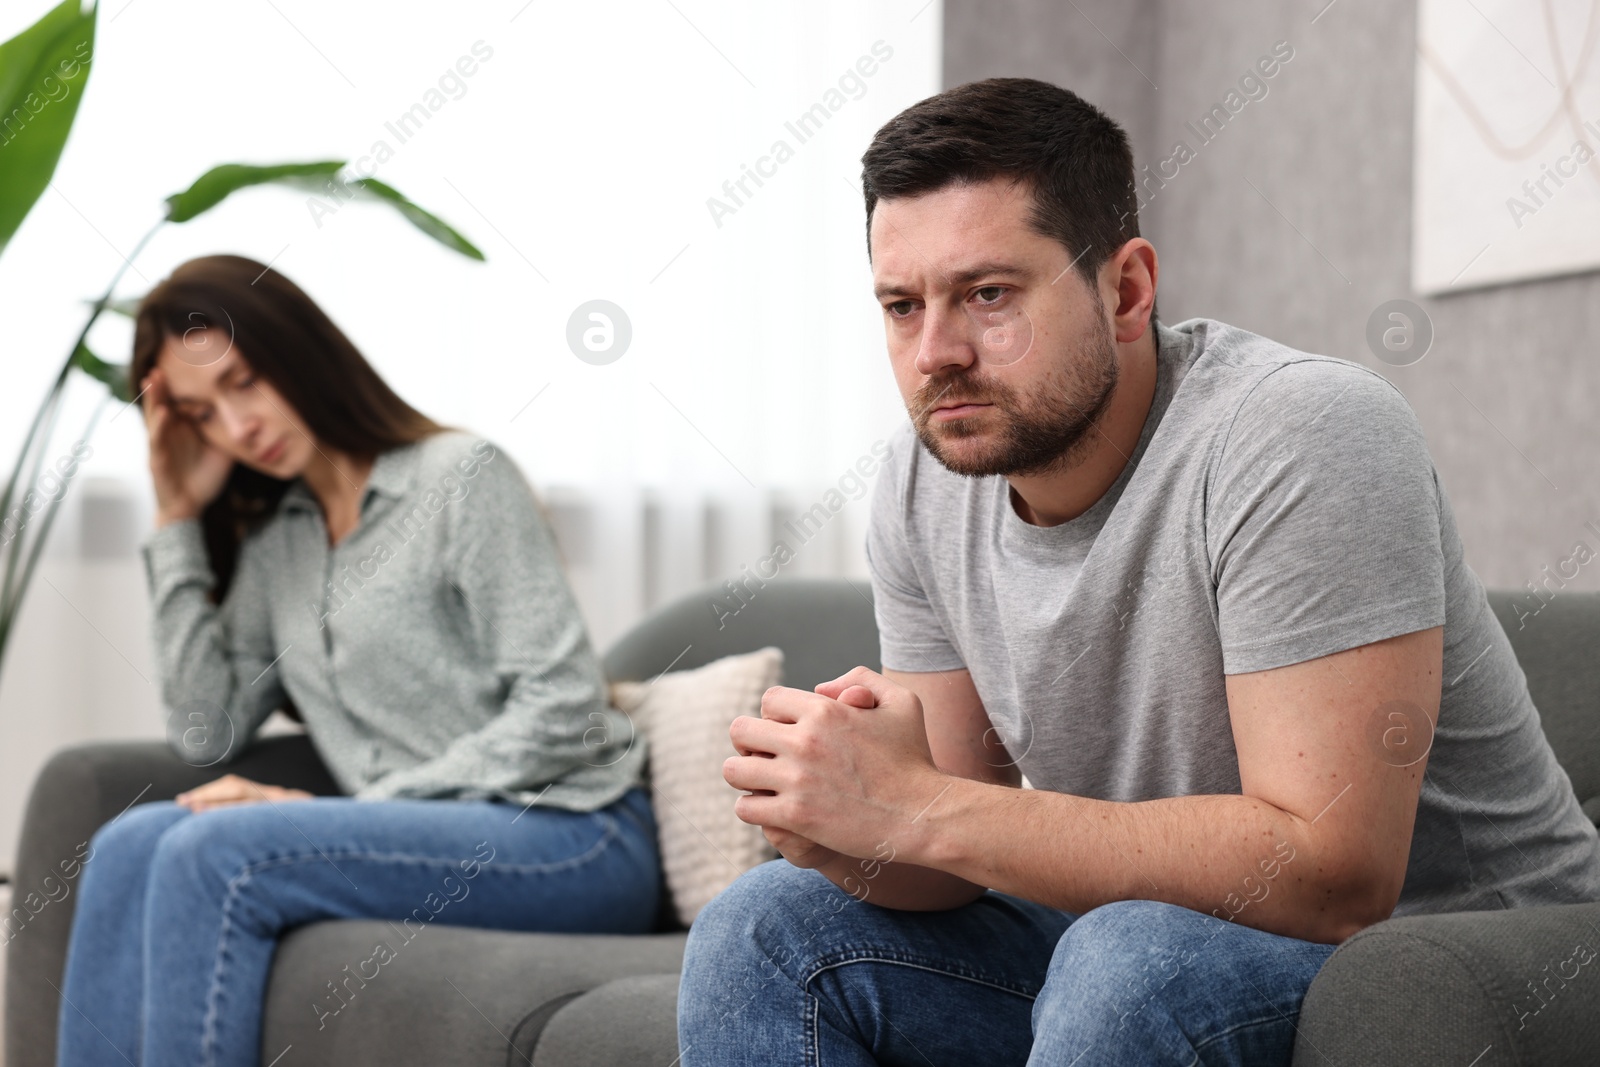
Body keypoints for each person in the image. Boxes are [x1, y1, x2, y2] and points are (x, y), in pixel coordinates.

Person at [677, 77, 1600, 1066]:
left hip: (1465, 955)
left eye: (988, 295)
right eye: (902, 306)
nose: (935, 352)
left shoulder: (1298, 432)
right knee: (767, 922)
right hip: (1154, 941)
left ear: (1124, 290)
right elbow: (945, 856)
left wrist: (921, 807)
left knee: (1132, 955)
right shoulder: (923, 479)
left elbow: (1335, 876)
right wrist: (851, 821)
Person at [56, 254, 659, 1067]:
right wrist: (175, 518)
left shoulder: (461, 479)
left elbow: (563, 708)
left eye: (242, 380)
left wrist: (361, 802)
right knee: (130, 843)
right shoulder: (280, 543)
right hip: (425, 828)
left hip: (571, 832)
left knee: (213, 851)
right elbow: (207, 729)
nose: (236, 427)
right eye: (201, 413)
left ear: (297, 349)